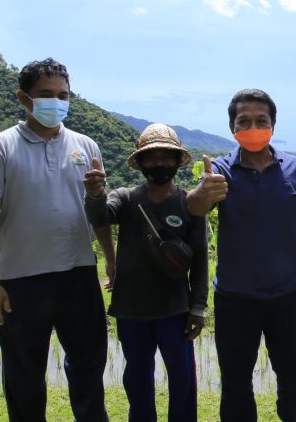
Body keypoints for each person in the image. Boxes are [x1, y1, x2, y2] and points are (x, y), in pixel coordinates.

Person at [0, 58, 111, 421]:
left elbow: (97, 211)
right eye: (46, 94)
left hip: (78, 274)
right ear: (24, 98)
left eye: (63, 95)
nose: (56, 102)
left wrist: (111, 259)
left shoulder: (86, 146)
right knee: (24, 376)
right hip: (20, 281)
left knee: (88, 369)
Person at [187, 88, 296, 422]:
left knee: (293, 385)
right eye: (244, 121)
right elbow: (195, 207)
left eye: (261, 120)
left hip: (290, 296)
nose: (253, 126)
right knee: (235, 386)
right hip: (235, 299)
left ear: (273, 124)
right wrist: (202, 192)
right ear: (233, 128)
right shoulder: (219, 170)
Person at [83, 123, 209, 422]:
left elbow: (201, 257)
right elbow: (100, 215)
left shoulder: (190, 202)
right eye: (152, 157)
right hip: (132, 309)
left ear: (179, 161)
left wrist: (199, 307)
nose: (160, 163)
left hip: (175, 310)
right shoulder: (125, 198)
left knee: (182, 378)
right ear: (140, 163)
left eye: (167, 156)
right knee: (138, 379)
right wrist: (95, 193)